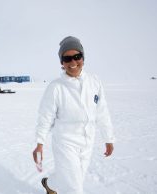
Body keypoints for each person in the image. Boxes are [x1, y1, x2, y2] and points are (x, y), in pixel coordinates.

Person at [32, 36, 115, 194]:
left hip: (87, 142)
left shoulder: (94, 82)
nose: (73, 62)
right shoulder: (56, 87)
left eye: (77, 57)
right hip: (65, 143)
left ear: (83, 57)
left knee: (71, 180)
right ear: (61, 62)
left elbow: (102, 111)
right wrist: (39, 143)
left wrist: (108, 138)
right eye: (67, 58)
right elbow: (45, 117)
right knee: (74, 188)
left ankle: (49, 184)